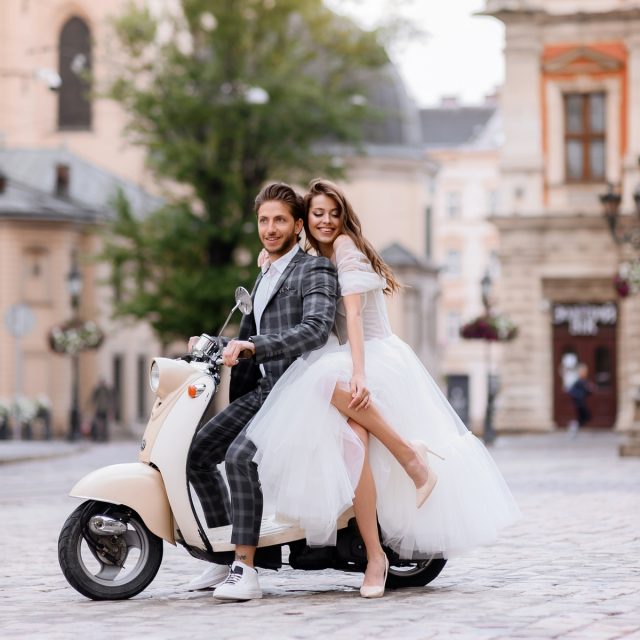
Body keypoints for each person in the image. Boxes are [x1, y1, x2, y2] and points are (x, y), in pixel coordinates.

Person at [246, 179, 521, 598]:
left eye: (332, 213)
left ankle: (409, 467)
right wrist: (270, 256)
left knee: (320, 385)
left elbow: (353, 319)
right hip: (347, 357)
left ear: (343, 217)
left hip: (371, 355)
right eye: (317, 213)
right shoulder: (313, 255)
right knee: (352, 447)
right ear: (305, 221)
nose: (325, 221)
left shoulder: (344, 249)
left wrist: (358, 374)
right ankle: (375, 552)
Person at [186, 182, 339, 601]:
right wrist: (210, 345)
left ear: (297, 225)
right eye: (264, 220)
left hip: (298, 390)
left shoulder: (315, 270)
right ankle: (223, 560)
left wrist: (256, 346)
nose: (270, 229)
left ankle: (246, 569)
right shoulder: (264, 272)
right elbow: (247, 335)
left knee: (239, 456)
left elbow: (315, 330)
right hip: (264, 389)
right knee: (198, 455)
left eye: (280, 221)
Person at [567, 363, 594, 437]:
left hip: (581, 402)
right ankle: (573, 426)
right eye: (583, 371)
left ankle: (574, 426)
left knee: (585, 417)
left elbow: (587, 391)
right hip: (579, 402)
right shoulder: (578, 381)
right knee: (584, 416)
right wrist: (579, 395)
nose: (585, 373)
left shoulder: (584, 381)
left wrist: (590, 389)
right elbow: (571, 391)